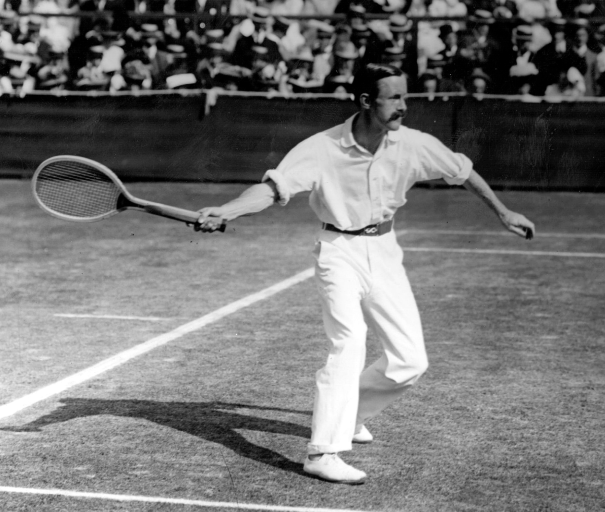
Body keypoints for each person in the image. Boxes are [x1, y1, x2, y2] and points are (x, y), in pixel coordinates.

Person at [192, 63, 535, 484]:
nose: (404, 107)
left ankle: (350, 413)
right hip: (338, 251)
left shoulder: (413, 143)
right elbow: (271, 189)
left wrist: (503, 212)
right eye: (394, 98)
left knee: (410, 361)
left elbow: (461, 171)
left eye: (405, 97)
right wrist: (226, 210)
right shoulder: (320, 148)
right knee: (349, 341)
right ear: (366, 101)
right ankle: (323, 451)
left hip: (385, 251)